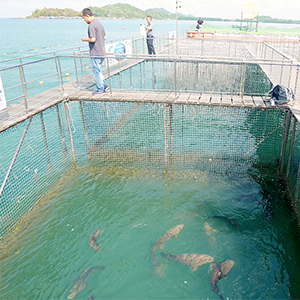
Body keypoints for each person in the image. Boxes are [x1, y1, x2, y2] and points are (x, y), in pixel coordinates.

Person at [81, 8, 108, 94]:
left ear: (87, 16)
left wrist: (84, 39)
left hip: (95, 52)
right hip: (102, 51)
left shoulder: (91, 26)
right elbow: (104, 37)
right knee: (99, 70)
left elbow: (93, 39)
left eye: (84, 18)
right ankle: (105, 85)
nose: (84, 20)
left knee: (96, 72)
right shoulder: (100, 24)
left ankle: (100, 89)